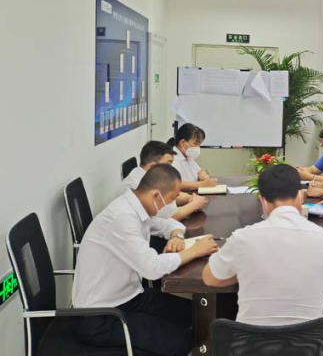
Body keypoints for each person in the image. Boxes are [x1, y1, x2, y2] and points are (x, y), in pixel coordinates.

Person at [73, 164, 219, 355]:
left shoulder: (138, 206)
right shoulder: (122, 217)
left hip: (132, 297)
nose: (173, 204)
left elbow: (168, 223)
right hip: (101, 317)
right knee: (183, 342)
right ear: (156, 195)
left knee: (197, 315)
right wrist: (194, 251)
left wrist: (176, 236)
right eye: (172, 198)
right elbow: (152, 268)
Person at [202, 164, 323, 326]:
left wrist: (248, 272)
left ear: (263, 201)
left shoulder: (243, 238)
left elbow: (210, 278)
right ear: (300, 196)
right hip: (310, 341)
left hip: (252, 340)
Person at [123, 141, 208, 220]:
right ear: (152, 166)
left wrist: (189, 198)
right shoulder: (137, 184)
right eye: (168, 165)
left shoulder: (148, 176)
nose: (171, 169)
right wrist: (195, 204)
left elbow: (170, 196)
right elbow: (170, 216)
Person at [172, 123, 218, 191]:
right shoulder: (173, 158)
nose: (198, 147)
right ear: (182, 142)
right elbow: (175, 184)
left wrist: (204, 176)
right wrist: (203, 184)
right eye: (196, 143)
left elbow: (200, 171)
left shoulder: (188, 156)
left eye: (199, 144)